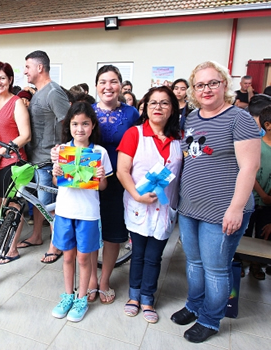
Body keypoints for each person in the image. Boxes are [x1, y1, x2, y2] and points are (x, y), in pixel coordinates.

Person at [171, 61, 260, 343]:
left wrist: (235, 208)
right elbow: (190, 157)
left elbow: (249, 167)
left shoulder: (239, 118)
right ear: (193, 91)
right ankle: (194, 305)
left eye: (213, 83)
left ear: (225, 85)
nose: (206, 89)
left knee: (216, 268)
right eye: (200, 85)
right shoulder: (193, 118)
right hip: (190, 206)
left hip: (222, 210)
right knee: (194, 263)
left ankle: (210, 319)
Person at [116, 86, 182, 324]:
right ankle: (133, 297)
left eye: (164, 103)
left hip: (165, 209)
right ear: (145, 107)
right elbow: (122, 171)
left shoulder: (179, 139)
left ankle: (147, 298)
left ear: (172, 108)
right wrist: (137, 195)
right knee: (139, 254)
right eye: (153, 103)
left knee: (155, 257)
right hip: (139, 205)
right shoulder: (135, 134)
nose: (158, 108)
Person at [50, 101, 111, 322]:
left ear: (92, 125)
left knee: (84, 258)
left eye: (85, 124)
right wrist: (56, 170)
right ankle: (67, 295)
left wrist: (101, 176)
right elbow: (58, 182)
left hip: (88, 213)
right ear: (69, 125)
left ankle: (82, 298)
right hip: (65, 211)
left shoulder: (99, 152)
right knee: (67, 256)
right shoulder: (62, 150)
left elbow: (102, 187)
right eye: (75, 124)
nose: (80, 129)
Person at [90, 65, 140, 304]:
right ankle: (90, 279)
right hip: (90, 181)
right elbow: (74, 138)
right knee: (90, 230)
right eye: (102, 82)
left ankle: (104, 280)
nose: (107, 87)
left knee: (112, 233)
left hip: (119, 181)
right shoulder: (87, 112)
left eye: (113, 82)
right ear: (96, 85)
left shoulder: (131, 114)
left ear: (121, 85)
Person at [17, 50, 70, 264]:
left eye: (27, 67)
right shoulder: (38, 92)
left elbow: (68, 122)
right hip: (36, 159)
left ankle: (55, 246)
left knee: (51, 207)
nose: (25, 71)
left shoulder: (54, 92)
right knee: (40, 203)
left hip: (49, 161)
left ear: (40, 68)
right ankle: (37, 236)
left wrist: (61, 152)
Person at [0, 61, 31, 264]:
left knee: (11, 205)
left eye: (2, 77)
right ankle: (6, 237)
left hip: (12, 161)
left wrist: (2, 151)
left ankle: (12, 248)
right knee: (0, 203)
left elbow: (26, 135)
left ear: (10, 79)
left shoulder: (17, 102)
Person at [243, 104, 271, 280]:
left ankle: (256, 265)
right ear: (267, 125)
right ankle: (239, 262)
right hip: (251, 196)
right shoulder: (256, 145)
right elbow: (248, 171)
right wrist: (262, 194)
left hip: (268, 202)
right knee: (245, 230)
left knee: (263, 233)